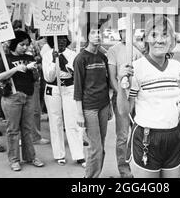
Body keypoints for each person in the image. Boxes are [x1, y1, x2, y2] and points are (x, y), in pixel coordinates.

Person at [125, 15, 180, 178]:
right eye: (154, 35)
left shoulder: (177, 67)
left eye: (165, 35)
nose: (160, 40)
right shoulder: (136, 68)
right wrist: (123, 87)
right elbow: (125, 110)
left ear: (172, 40)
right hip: (147, 139)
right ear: (146, 39)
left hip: (173, 138)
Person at [0, 30, 45, 172]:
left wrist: (36, 71)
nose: (24, 47)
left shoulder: (29, 57)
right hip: (12, 97)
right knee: (13, 130)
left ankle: (30, 156)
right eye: (21, 44)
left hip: (28, 96)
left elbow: (35, 78)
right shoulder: (6, 58)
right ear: (14, 44)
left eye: (26, 45)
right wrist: (17, 69)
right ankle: (14, 160)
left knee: (27, 128)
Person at [42, 35, 85, 167]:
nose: (61, 41)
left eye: (63, 39)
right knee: (56, 121)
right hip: (53, 88)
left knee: (72, 121)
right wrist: (55, 61)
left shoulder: (73, 54)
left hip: (69, 88)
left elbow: (74, 72)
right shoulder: (47, 55)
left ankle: (79, 155)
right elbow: (48, 77)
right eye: (58, 39)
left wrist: (63, 62)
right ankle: (59, 154)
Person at [74, 24, 111, 178]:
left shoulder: (103, 57)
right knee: (95, 147)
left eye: (99, 33)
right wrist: (79, 114)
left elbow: (107, 84)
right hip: (89, 108)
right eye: (93, 33)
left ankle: (95, 174)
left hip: (103, 105)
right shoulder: (81, 59)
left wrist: (109, 107)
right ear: (87, 36)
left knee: (101, 146)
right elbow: (78, 88)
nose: (97, 36)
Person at [107, 17, 142, 178]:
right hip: (121, 97)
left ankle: (143, 166)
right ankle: (124, 172)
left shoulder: (138, 51)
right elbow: (112, 77)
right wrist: (121, 92)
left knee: (140, 133)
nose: (125, 34)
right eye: (122, 31)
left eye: (128, 31)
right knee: (122, 136)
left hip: (138, 98)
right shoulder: (113, 50)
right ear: (119, 32)